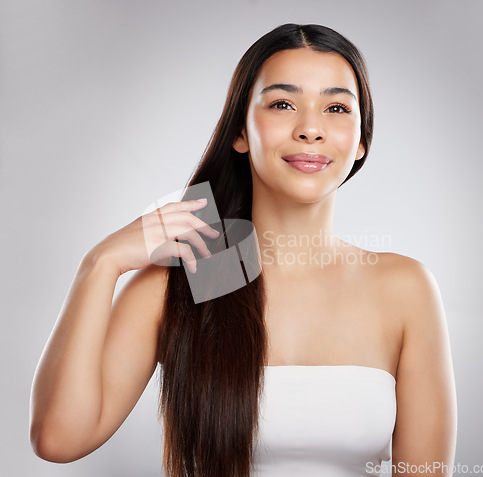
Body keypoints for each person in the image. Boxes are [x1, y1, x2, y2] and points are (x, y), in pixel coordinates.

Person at [29, 23, 457, 477]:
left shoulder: (405, 288)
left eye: (335, 107)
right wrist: (99, 264)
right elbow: (58, 439)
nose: (310, 128)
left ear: (361, 142)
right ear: (240, 132)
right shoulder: (187, 276)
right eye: (282, 104)